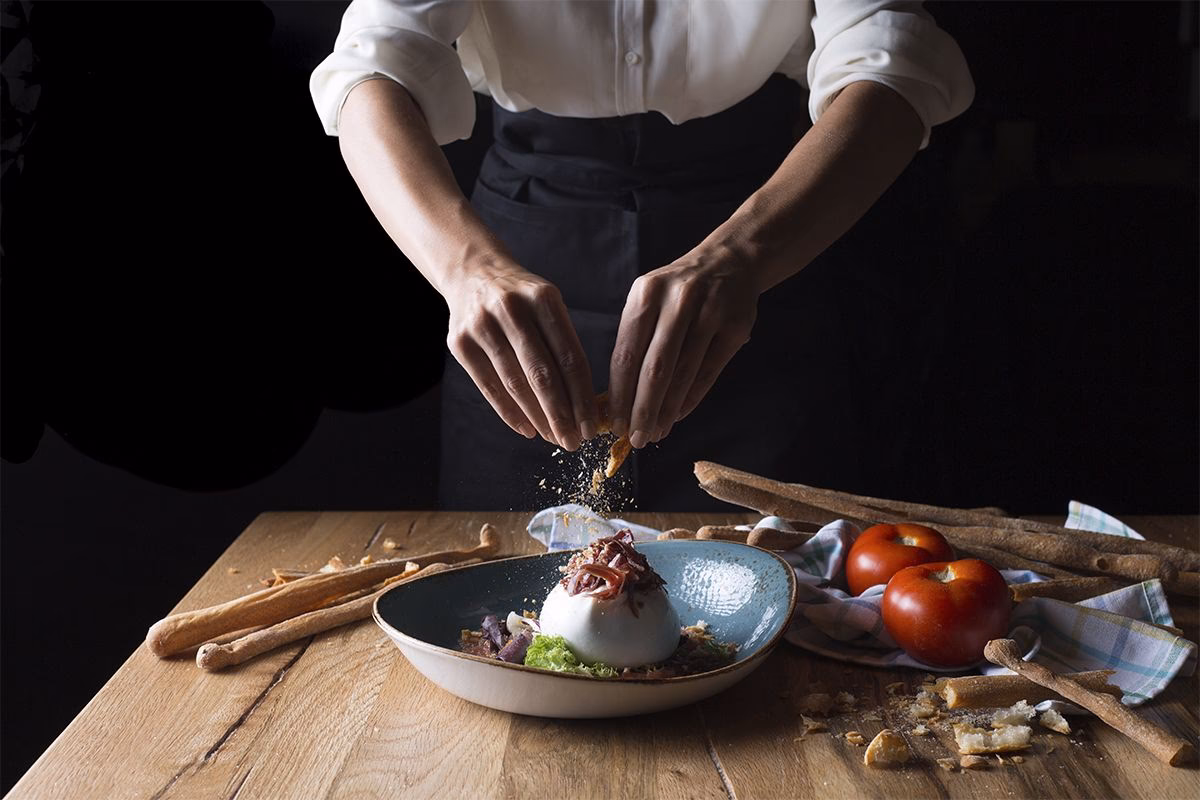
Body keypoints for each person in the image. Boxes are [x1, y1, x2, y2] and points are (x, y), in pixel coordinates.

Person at [310, 0, 973, 509]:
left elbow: (894, 63)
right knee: (507, 608)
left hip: (769, 233)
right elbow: (373, 68)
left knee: (789, 604)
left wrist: (743, 256)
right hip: (527, 229)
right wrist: (466, 270)